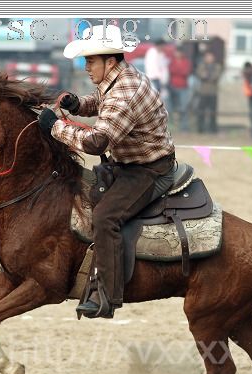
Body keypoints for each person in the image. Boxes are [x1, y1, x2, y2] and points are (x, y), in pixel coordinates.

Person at [38, 24, 175, 318]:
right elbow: (101, 103)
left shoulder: (126, 91)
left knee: (105, 217)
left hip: (149, 170)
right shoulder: (118, 79)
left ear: (109, 61)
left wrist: (55, 128)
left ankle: (107, 296)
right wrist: (79, 105)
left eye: (90, 61)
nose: (86, 67)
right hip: (130, 164)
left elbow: (97, 142)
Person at [195, 50, 223, 133]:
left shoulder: (217, 66)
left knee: (213, 112)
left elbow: (215, 76)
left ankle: (212, 128)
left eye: (210, 57)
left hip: (213, 92)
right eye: (207, 57)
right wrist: (206, 76)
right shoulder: (201, 66)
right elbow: (200, 74)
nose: (209, 59)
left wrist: (207, 76)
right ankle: (201, 128)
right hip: (203, 92)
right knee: (201, 111)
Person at [168, 47, 193, 132]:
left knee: (184, 108)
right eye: (177, 52)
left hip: (183, 88)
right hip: (173, 87)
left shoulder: (186, 62)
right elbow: (171, 70)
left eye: (179, 52)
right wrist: (179, 71)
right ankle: (172, 126)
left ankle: (184, 127)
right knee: (171, 108)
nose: (178, 54)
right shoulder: (172, 61)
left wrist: (177, 71)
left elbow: (186, 72)